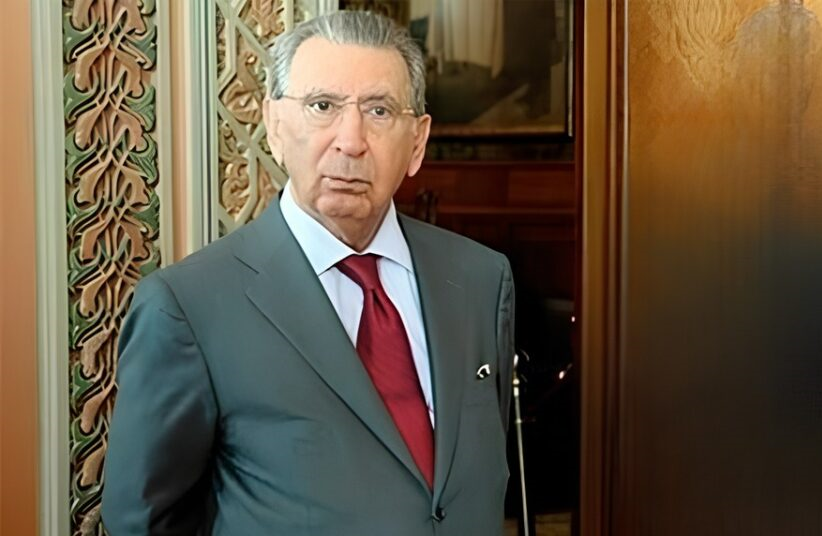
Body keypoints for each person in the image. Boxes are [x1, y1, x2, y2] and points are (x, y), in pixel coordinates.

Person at [101, 10, 515, 535]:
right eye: (323, 106)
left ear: (417, 142)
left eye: (379, 110)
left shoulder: (479, 278)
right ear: (275, 128)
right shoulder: (187, 307)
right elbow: (142, 521)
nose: (351, 140)